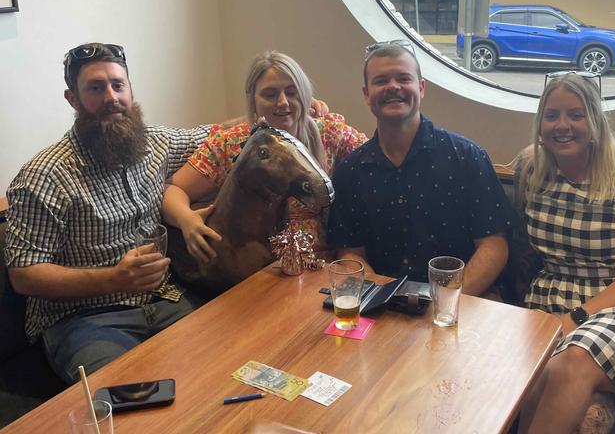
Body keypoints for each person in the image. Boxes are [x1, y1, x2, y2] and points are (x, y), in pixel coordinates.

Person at [5, 42, 211, 384]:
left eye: (118, 85)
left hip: (165, 299)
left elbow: (220, 137)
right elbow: (24, 274)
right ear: (73, 99)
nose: (111, 97)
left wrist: (288, 109)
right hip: (84, 319)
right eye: (96, 88)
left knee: (229, 356)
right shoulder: (44, 177)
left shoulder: (156, 142)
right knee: (131, 397)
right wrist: (115, 278)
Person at [515, 72, 615, 433]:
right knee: (537, 367)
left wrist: (577, 317)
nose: (563, 126)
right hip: (546, 299)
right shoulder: (532, 168)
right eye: (552, 115)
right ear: (540, 123)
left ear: (595, 121)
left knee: (572, 358)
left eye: (576, 115)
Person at [327, 41, 514, 295]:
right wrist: (385, 297)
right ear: (366, 94)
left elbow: (494, 245)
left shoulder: (466, 157)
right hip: (382, 308)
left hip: (461, 305)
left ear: (421, 88)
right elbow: (350, 252)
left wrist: (447, 302)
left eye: (403, 78)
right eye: (381, 81)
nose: (393, 86)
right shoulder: (350, 172)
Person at [161, 51, 367, 262]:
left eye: (292, 92)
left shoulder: (330, 133)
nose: (283, 102)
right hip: (257, 271)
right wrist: (186, 219)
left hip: (324, 267)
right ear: (253, 99)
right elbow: (173, 188)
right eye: (270, 94)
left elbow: (373, 158)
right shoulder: (231, 143)